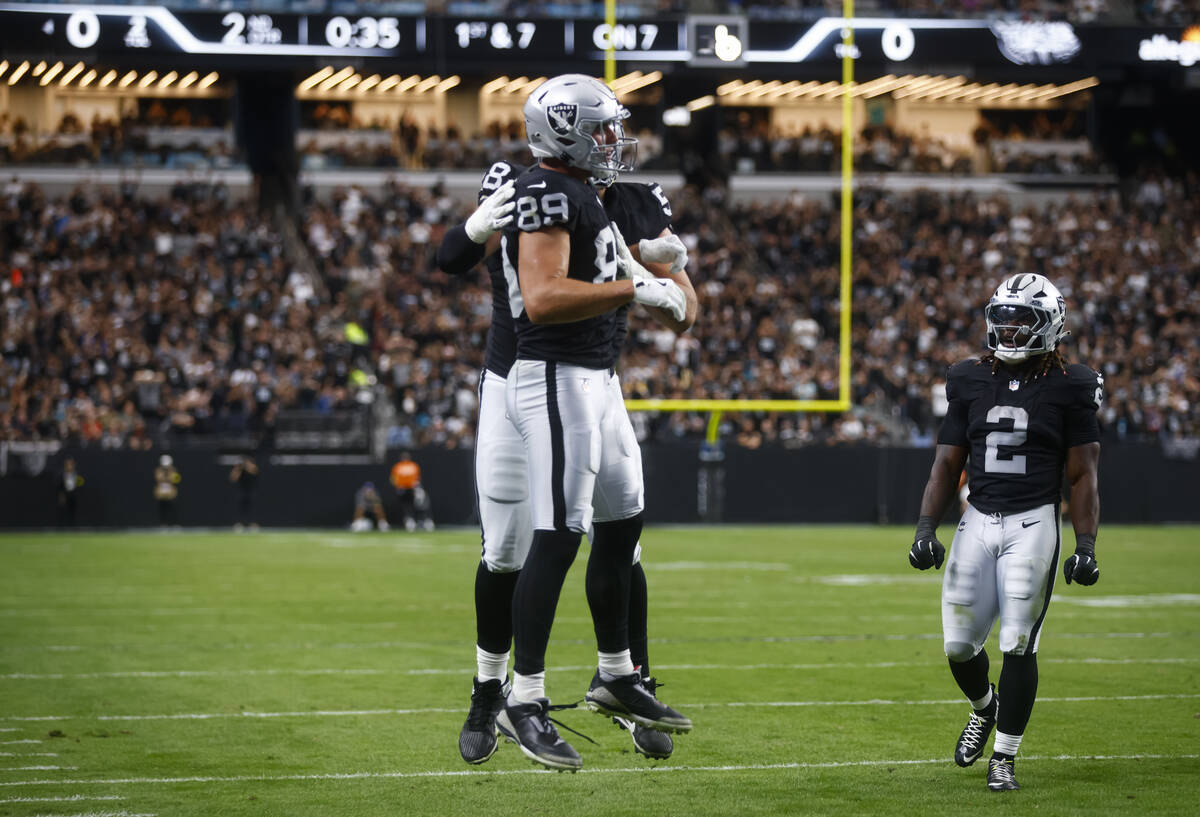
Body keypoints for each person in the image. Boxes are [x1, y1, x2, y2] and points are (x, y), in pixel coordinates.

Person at [438, 88, 696, 767]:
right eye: (605, 131)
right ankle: (496, 692)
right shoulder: (533, 188)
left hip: (594, 374)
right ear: (571, 133)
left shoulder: (628, 196)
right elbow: (494, 276)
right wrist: (470, 229)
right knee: (514, 547)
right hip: (523, 372)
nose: (617, 143)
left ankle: (622, 674)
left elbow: (678, 301)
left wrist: (670, 274)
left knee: (621, 530)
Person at [907, 273, 1103, 792]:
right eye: (1005, 318)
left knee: (1018, 641)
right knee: (957, 646)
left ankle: (1004, 758)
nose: (1011, 329)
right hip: (978, 517)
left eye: (1024, 319)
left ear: (1051, 325)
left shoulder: (1073, 384)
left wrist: (1085, 544)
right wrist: (926, 526)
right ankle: (984, 707)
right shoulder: (968, 377)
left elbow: (1082, 474)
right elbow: (947, 465)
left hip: (1034, 520)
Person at [389, 451, 433, 532]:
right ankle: (415, 521)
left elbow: (393, 479)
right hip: (408, 488)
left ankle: (421, 521)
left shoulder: (404, 466)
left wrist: (398, 486)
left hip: (410, 489)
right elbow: (393, 479)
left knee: (415, 505)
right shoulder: (407, 466)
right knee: (410, 505)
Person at [229, 455, 259, 531]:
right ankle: (239, 525)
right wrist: (238, 468)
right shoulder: (239, 469)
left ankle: (252, 525)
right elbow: (233, 478)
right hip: (241, 492)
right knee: (239, 509)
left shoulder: (252, 468)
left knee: (251, 509)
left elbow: (255, 471)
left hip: (251, 492)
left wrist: (247, 465)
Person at [154, 454, 182, 528]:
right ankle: (163, 524)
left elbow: (177, 480)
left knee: (173, 509)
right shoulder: (158, 470)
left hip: (171, 493)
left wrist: (168, 477)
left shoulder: (174, 470)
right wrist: (167, 478)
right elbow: (158, 479)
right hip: (161, 493)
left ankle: (174, 524)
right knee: (162, 509)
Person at [57, 457, 84, 526]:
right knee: (64, 512)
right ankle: (63, 527)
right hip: (65, 495)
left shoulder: (77, 474)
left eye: (71, 464)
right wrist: (62, 496)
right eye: (67, 464)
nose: (69, 466)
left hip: (74, 496)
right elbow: (60, 486)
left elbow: (80, 484)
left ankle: (74, 527)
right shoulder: (61, 474)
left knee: (74, 512)